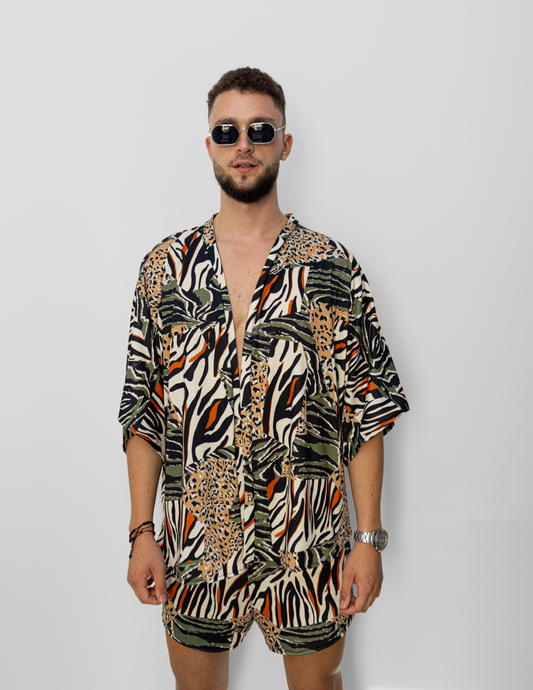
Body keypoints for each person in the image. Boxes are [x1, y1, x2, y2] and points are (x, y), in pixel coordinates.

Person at [119, 66, 409, 690]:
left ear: (285, 143)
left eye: (261, 129)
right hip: (196, 544)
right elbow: (143, 410)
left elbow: (367, 409)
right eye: (227, 131)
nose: (244, 144)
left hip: (310, 543)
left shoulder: (331, 267)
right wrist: (142, 530)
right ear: (209, 145)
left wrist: (368, 539)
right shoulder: (164, 269)